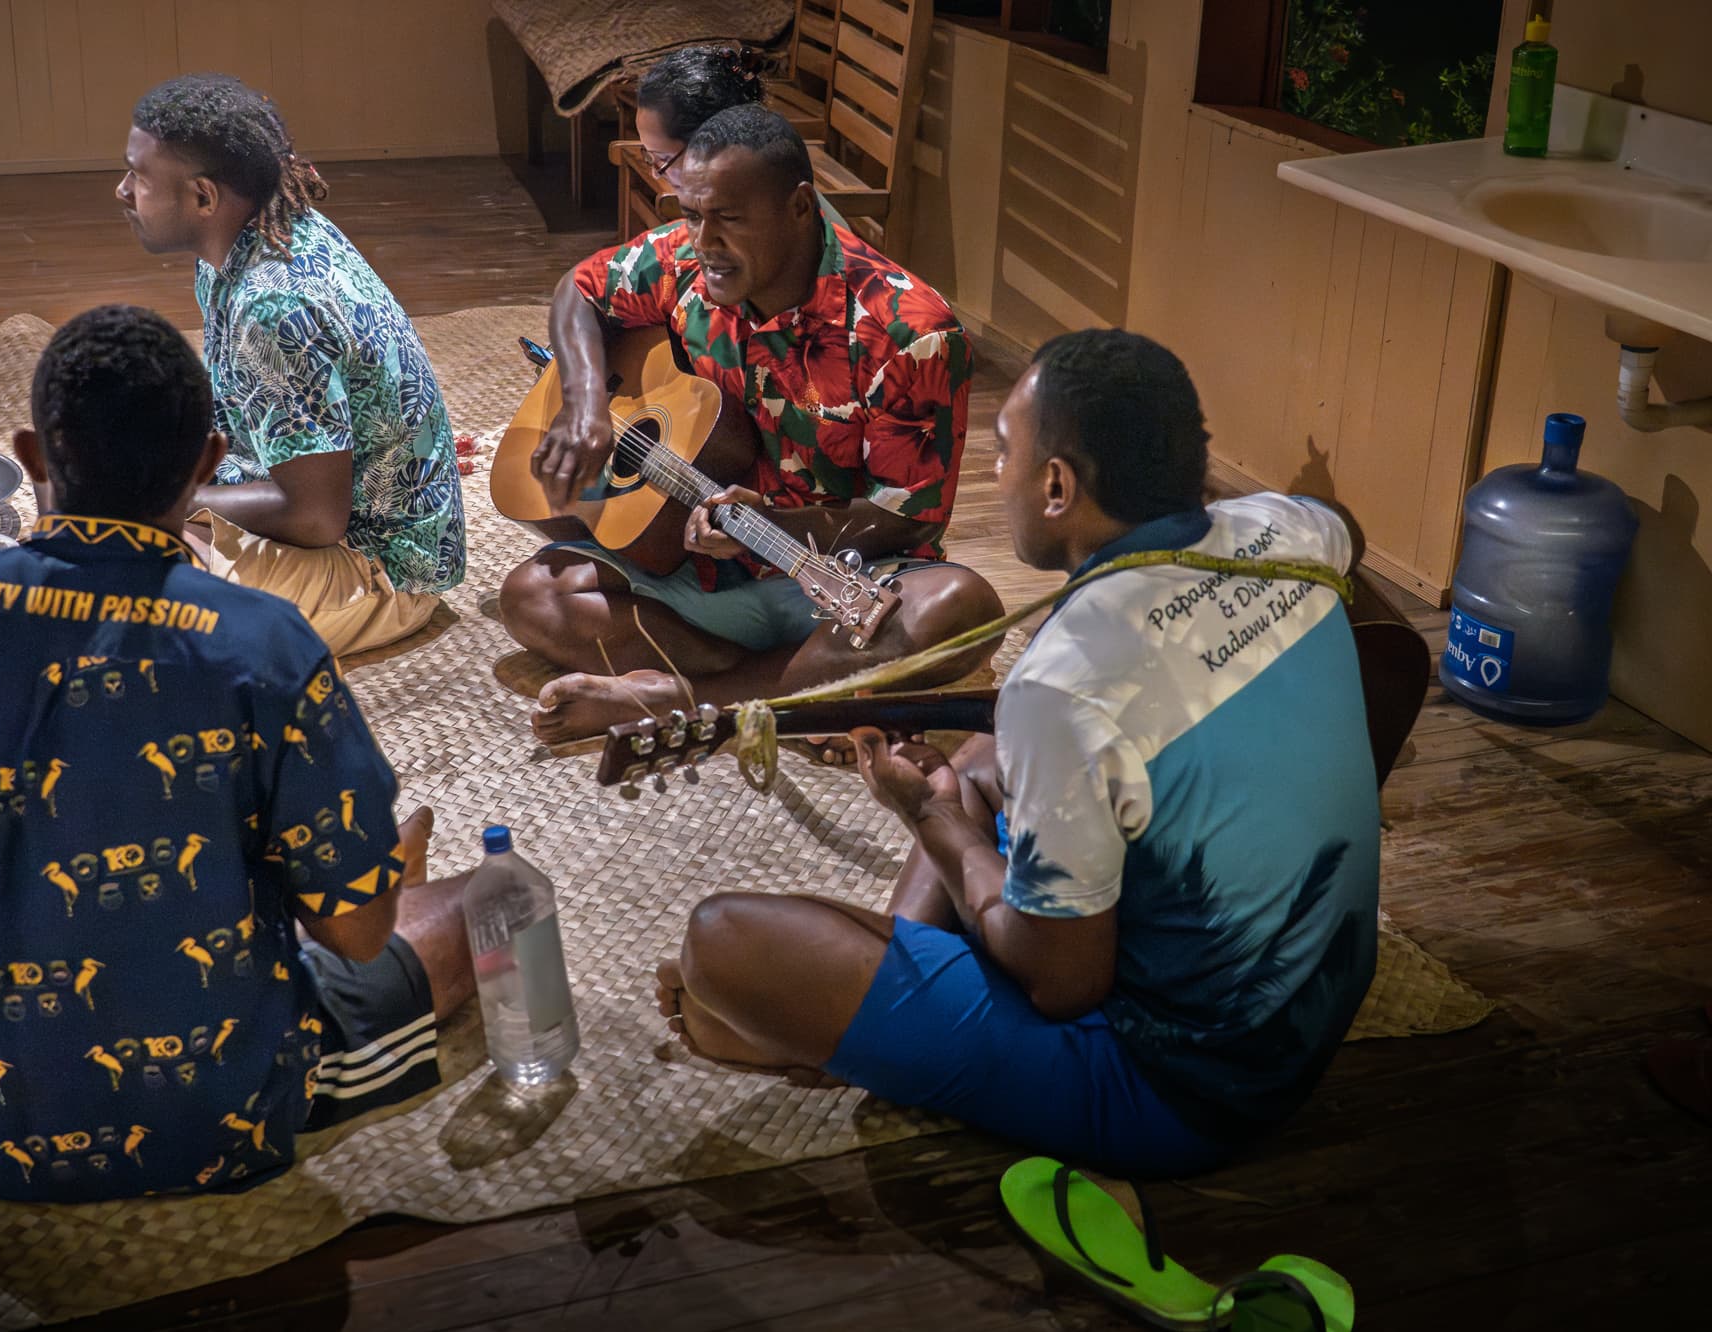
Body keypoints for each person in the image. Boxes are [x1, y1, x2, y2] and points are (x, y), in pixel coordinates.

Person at [652, 329, 1382, 1177]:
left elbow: (1063, 981)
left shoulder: (1063, 680)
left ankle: (856, 1036)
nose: (997, 480)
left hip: (1181, 1089)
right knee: (983, 757)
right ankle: (876, 1013)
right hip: (1317, 1003)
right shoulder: (1293, 528)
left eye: (1004, 455)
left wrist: (934, 822)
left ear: (1059, 485)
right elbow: (1349, 534)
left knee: (722, 941)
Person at [0, 305, 474, 1202]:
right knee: (492, 903)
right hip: (214, 1114)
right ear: (209, 464)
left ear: (32, 456)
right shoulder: (262, 645)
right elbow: (357, 936)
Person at [502, 104, 1003, 743]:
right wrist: (582, 402)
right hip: (703, 578)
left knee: (961, 610)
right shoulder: (685, 260)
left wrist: (776, 526)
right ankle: (794, 689)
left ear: (799, 207)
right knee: (534, 595)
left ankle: (686, 699)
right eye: (691, 215)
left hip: (837, 584)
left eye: (729, 219)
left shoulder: (910, 331)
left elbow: (907, 515)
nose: (704, 241)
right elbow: (581, 287)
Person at [116, 73, 464, 658]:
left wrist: (170, 503)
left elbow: (314, 518)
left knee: (121, 604)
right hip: (311, 504)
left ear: (203, 198)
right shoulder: (236, 244)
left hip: (380, 569)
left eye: (140, 178)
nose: (123, 191)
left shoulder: (277, 305)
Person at [631, 45, 847, 228]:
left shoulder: (765, 222)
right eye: (650, 157)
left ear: (712, 143)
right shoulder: (729, 203)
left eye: (664, 159)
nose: (656, 173)